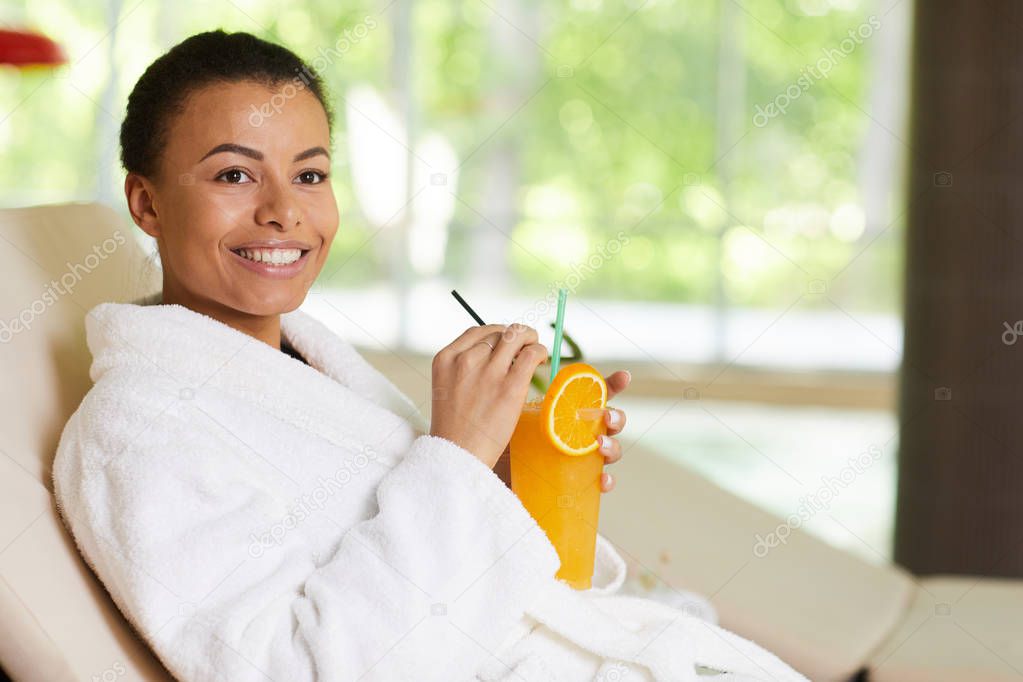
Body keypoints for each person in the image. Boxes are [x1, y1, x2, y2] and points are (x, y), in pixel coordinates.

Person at [52, 30, 808, 681]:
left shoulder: (308, 365)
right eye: (234, 175)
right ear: (145, 202)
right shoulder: (135, 434)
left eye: (310, 174)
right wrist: (458, 455)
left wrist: (511, 475)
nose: (284, 210)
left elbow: (441, 553)